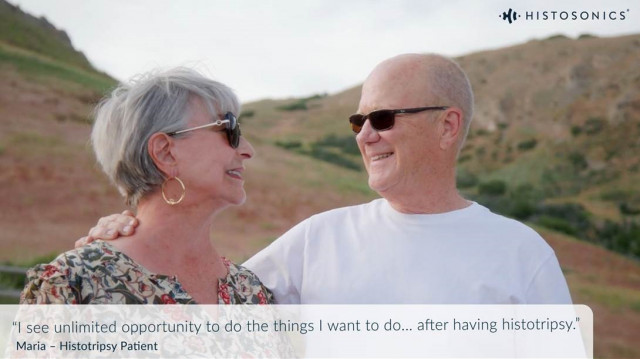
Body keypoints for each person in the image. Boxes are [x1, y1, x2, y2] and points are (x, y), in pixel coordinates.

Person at [79, 54, 572, 305]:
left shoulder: (522, 256)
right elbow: (192, 297)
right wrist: (128, 231)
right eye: (359, 122)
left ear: (447, 125)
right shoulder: (317, 239)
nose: (366, 136)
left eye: (383, 118)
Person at [21, 68, 273, 305]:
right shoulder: (72, 284)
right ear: (165, 152)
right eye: (229, 128)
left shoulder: (251, 292)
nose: (247, 150)